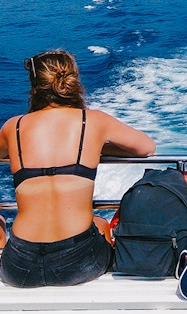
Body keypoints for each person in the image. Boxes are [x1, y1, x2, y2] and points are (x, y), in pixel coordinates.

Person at [0, 50, 156, 288]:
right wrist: (95, 151)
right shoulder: (92, 121)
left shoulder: (14, 127)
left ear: (34, 87)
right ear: (73, 81)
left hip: (20, 268)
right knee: (100, 224)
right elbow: (146, 147)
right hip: (77, 265)